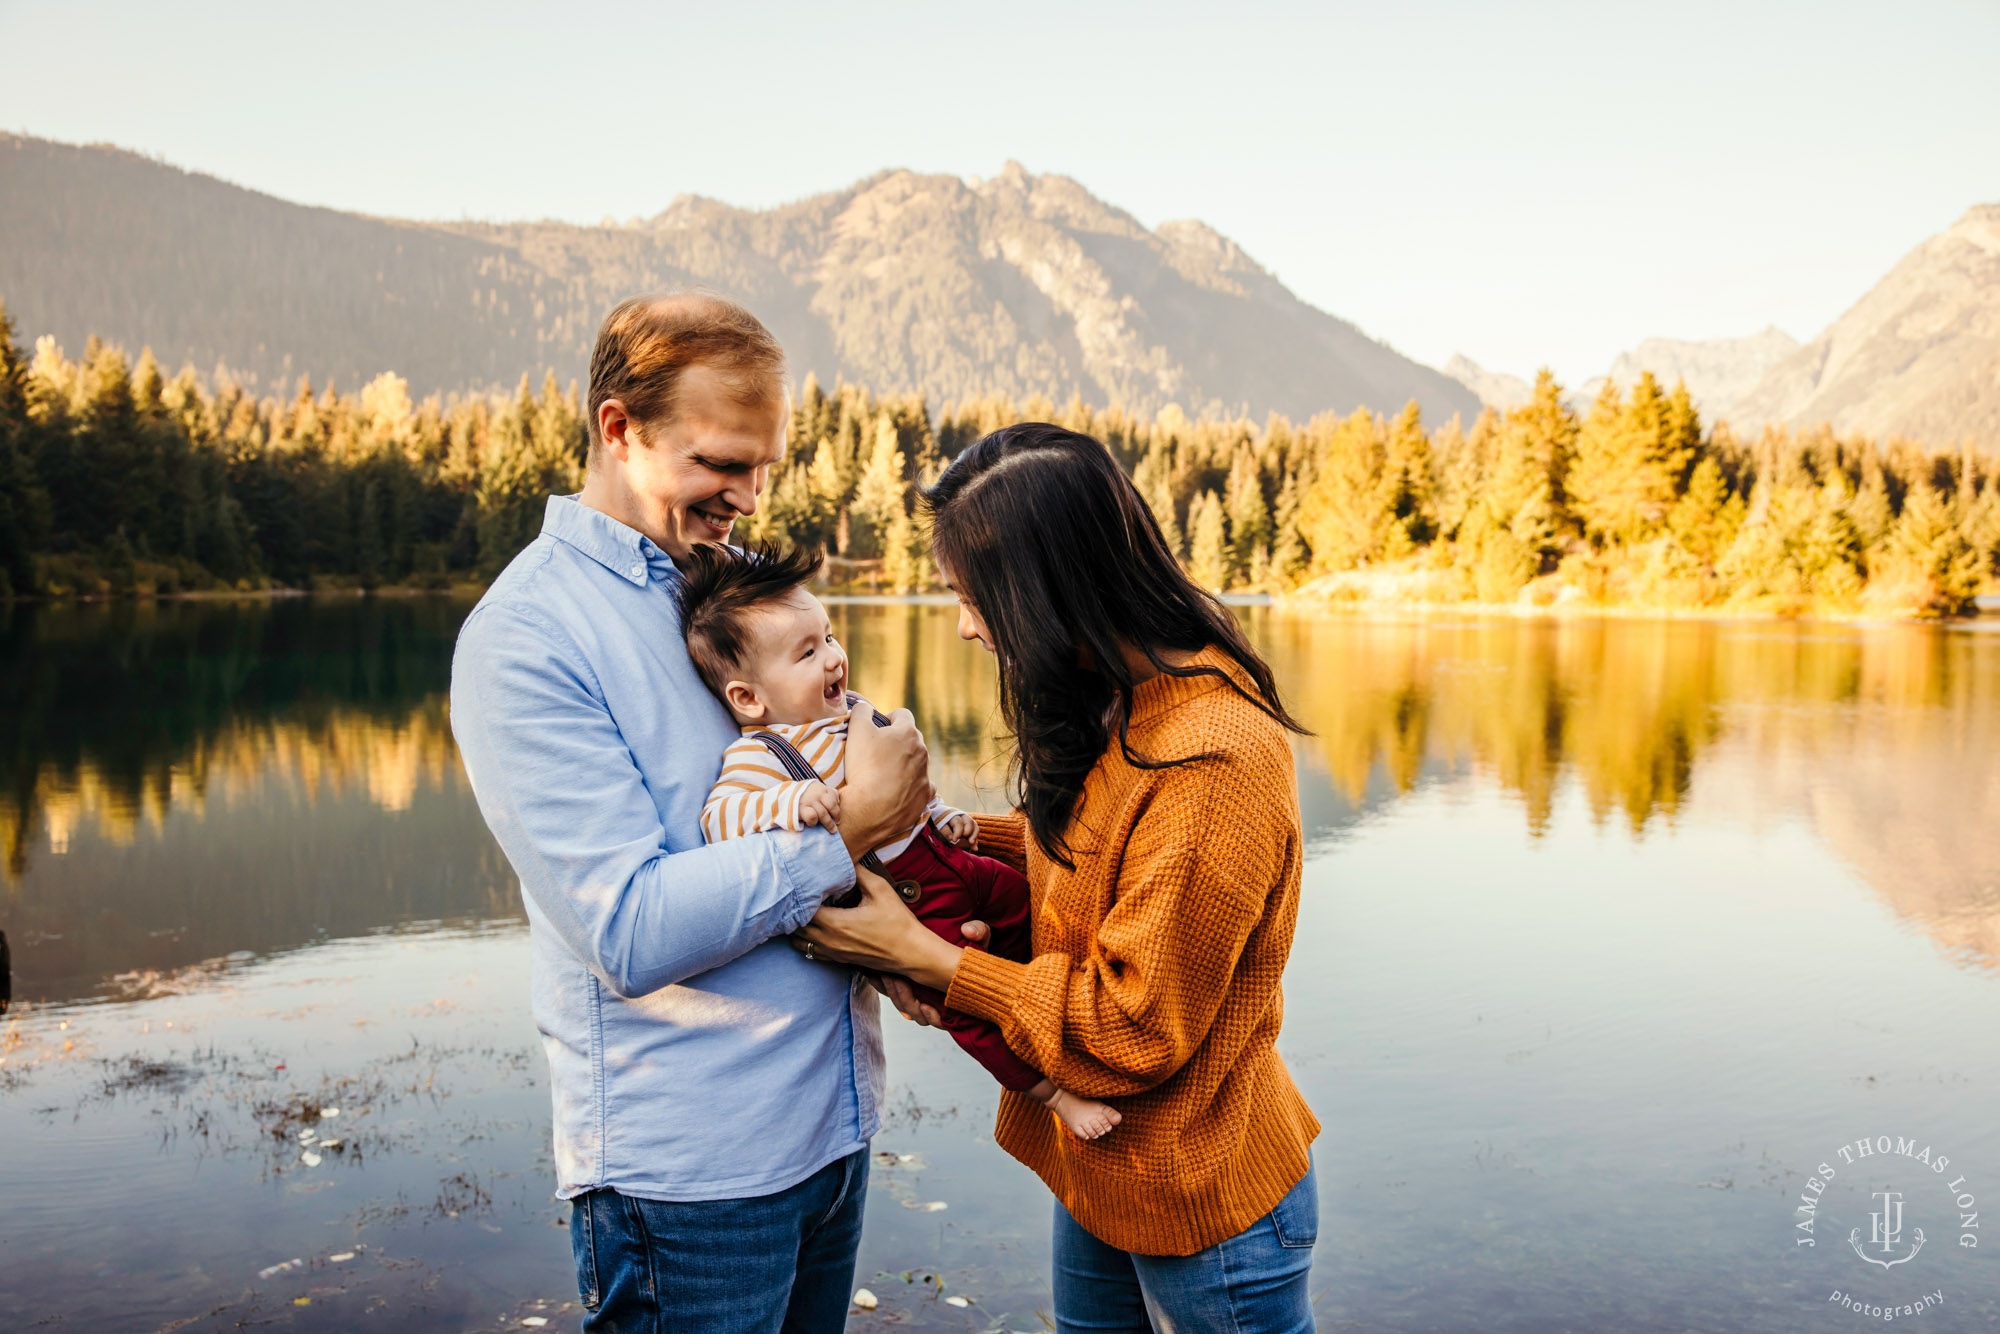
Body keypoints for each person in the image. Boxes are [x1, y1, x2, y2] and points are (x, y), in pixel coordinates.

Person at [449, 292, 933, 1333]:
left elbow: (777, 808)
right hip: (690, 1181)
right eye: (722, 463)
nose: (750, 496)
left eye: (764, 466)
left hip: (829, 1136)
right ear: (619, 430)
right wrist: (846, 824)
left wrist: (905, 945)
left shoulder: (733, 597)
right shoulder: (529, 638)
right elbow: (626, 925)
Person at [793, 422, 1322, 1334]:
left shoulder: (1212, 762)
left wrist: (931, 959)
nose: (962, 624)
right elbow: (1109, 853)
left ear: (1047, 588)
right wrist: (969, 845)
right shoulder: (1128, 699)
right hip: (1107, 1168)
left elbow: (1133, 1027)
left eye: (972, 596)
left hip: (1201, 1191)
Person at [676, 539, 1121, 1140]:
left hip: (945, 856)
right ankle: (1052, 1092)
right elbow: (719, 821)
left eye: (829, 638)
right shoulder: (761, 755)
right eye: (806, 653)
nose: (834, 658)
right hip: (908, 898)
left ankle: (1070, 1006)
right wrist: (790, 801)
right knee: (961, 998)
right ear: (748, 698)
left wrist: (944, 814)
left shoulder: (855, 712)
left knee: (1024, 902)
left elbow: (911, 791)